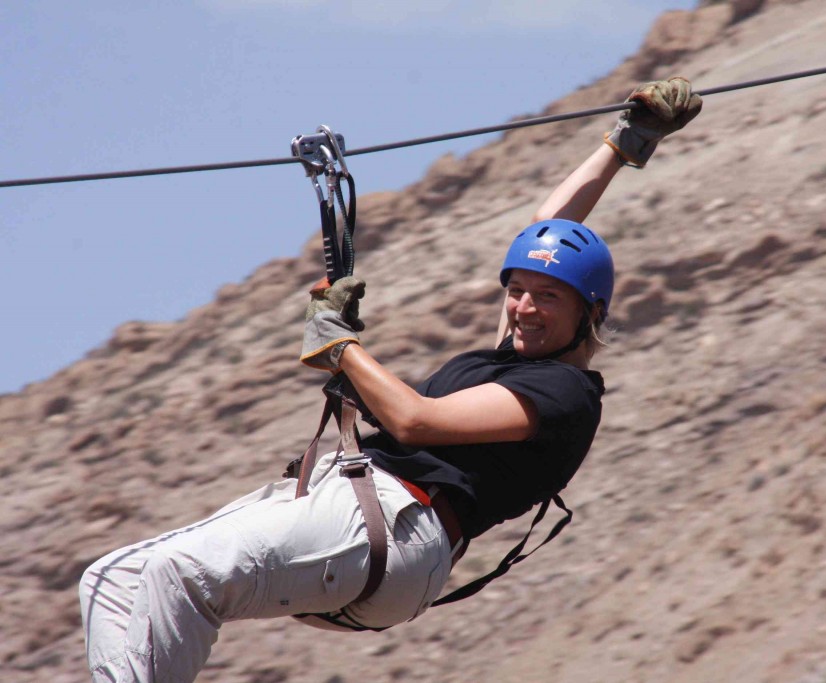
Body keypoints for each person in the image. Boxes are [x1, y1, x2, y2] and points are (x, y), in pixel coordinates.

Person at [78, 77, 702, 682]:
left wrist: (340, 344)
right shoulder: (510, 355)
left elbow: (413, 420)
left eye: (548, 298)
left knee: (175, 575)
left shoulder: (564, 393)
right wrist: (626, 142)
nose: (525, 308)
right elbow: (546, 228)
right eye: (517, 292)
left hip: (400, 527)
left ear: (590, 313)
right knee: (112, 579)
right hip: (357, 511)